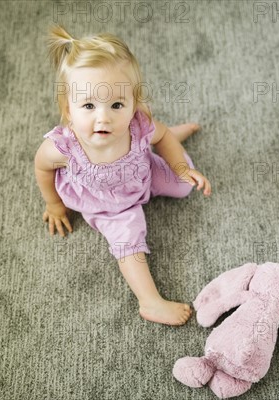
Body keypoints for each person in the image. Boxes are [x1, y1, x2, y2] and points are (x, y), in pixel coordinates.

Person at [34, 25, 211, 326]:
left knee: (181, 182)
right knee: (129, 240)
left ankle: (177, 145)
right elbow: (41, 167)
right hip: (108, 205)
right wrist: (53, 203)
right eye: (88, 105)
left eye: (117, 104)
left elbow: (160, 136)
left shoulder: (138, 124)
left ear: (134, 105)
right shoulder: (62, 147)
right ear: (68, 110)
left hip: (143, 172)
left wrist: (182, 167)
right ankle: (150, 301)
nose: (103, 116)